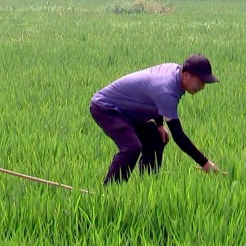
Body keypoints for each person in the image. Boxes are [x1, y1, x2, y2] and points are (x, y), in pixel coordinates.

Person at [90, 54, 222, 185]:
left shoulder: (175, 72)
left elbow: (152, 96)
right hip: (106, 108)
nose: (202, 87)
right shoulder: (167, 90)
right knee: (132, 148)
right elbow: (178, 135)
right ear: (186, 75)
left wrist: (159, 124)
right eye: (200, 81)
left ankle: (148, 184)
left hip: (128, 110)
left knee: (156, 138)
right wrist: (204, 163)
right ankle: (110, 189)